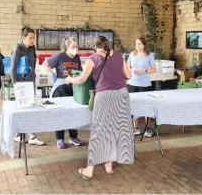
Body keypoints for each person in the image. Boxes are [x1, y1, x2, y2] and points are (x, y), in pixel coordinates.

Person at [65, 35, 134, 180]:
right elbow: (128, 76)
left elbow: (82, 79)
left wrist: (69, 79)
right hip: (122, 95)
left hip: (104, 96)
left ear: (95, 47)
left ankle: (89, 170)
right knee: (115, 129)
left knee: (98, 131)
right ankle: (109, 165)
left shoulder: (93, 58)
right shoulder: (118, 55)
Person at [43, 37, 82, 149]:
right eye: (72, 47)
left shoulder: (77, 58)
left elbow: (79, 72)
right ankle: (60, 139)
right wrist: (53, 75)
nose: (75, 49)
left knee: (73, 112)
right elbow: (45, 64)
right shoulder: (60, 56)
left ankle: (73, 136)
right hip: (60, 87)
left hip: (73, 87)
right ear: (67, 47)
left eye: (76, 47)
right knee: (60, 113)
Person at [11, 27, 45, 146]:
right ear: (23, 38)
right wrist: (15, 85)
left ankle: (32, 136)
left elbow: (33, 63)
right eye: (30, 38)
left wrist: (33, 76)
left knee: (31, 107)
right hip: (20, 83)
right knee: (21, 109)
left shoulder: (32, 48)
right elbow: (13, 68)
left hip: (30, 81)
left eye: (33, 38)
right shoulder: (17, 49)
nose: (32, 40)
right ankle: (18, 134)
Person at [126, 37, 156, 137]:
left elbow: (153, 69)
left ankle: (147, 128)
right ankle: (136, 128)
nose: (138, 46)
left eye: (140, 44)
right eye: (136, 44)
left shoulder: (149, 55)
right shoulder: (132, 54)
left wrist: (144, 71)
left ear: (144, 45)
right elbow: (127, 68)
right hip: (132, 84)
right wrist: (133, 70)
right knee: (133, 106)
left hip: (145, 85)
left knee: (146, 106)